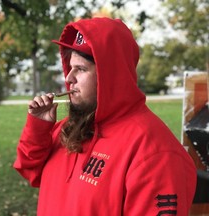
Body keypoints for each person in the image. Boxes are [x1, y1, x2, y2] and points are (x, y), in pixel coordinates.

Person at [14, 17, 196, 215]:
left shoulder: (155, 152)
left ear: (110, 74)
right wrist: (38, 128)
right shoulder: (69, 128)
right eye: (70, 67)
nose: (68, 78)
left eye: (81, 69)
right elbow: (31, 172)